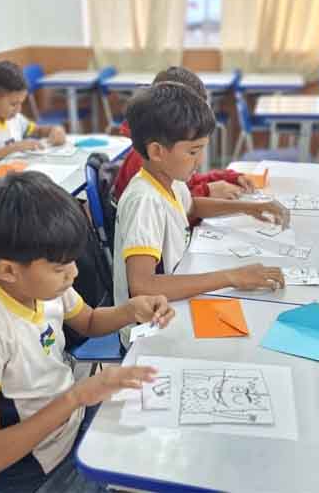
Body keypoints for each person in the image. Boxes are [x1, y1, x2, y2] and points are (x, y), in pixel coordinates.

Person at [0, 171, 174, 492]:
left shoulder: (45, 287)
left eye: (72, 262)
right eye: (59, 268)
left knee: (161, 444)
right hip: (34, 469)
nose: (74, 273)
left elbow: (90, 321)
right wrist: (77, 396)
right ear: (7, 270)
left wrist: (130, 310)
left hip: (71, 425)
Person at [114, 82, 288, 345]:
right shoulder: (145, 201)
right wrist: (231, 277)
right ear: (157, 151)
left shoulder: (168, 181)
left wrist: (249, 207)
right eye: (193, 151)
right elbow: (143, 285)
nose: (200, 160)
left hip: (174, 304)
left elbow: (193, 206)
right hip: (149, 329)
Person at [112, 66, 255, 202]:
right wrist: (207, 191)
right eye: (193, 152)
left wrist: (227, 177)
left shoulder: (165, 153)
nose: (201, 160)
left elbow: (186, 186)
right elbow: (174, 207)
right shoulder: (144, 162)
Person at [0, 61, 66, 164]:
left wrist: (55, 129)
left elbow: (37, 131)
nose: (18, 110)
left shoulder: (13, 116)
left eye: (21, 103)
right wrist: (13, 148)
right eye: (13, 104)